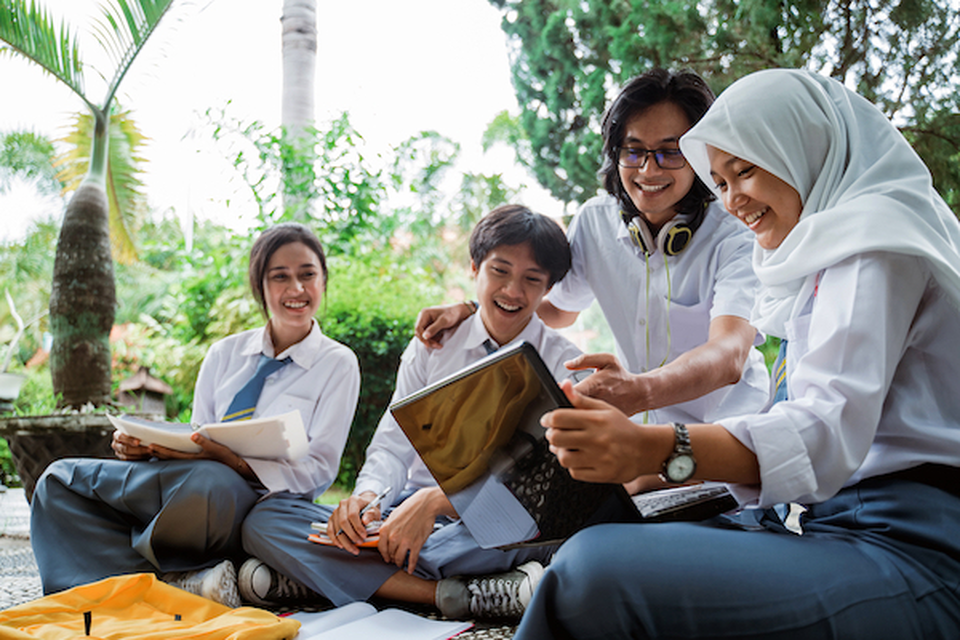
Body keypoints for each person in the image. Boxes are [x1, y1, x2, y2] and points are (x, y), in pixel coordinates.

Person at [513, 69, 960, 639]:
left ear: (803, 145)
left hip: (908, 546)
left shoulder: (874, 245)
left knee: (591, 571)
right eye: (720, 182)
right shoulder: (812, 260)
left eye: (744, 169)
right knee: (606, 535)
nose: (733, 200)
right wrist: (469, 314)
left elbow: (820, 426)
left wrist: (654, 447)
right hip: (813, 519)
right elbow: (548, 298)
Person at [415, 71, 769, 491]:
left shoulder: (736, 233)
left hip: (721, 449)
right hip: (635, 449)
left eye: (670, 153)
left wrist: (636, 391)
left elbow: (729, 355)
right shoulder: (594, 222)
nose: (648, 169)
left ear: (699, 156)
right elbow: (554, 311)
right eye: (633, 151)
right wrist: (476, 309)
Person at [239, 204, 582, 620]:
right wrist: (369, 497)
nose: (513, 291)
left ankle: (314, 575)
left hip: (482, 525)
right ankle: (446, 593)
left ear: (548, 289)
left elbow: (540, 483)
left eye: (532, 280)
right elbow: (393, 443)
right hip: (399, 510)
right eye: (500, 271)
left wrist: (436, 502)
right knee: (267, 517)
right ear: (475, 268)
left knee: (547, 535)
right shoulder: (434, 343)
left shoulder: (565, 367)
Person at [30, 223, 360, 608]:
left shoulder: (338, 363)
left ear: (323, 280)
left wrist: (233, 462)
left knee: (209, 482)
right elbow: (197, 433)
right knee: (58, 482)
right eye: (280, 277)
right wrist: (146, 447)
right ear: (260, 286)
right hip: (189, 480)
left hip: (249, 498)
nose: (296, 289)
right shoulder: (224, 354)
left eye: (308, 275)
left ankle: (141, 574)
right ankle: (174, 581)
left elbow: (319, 468)